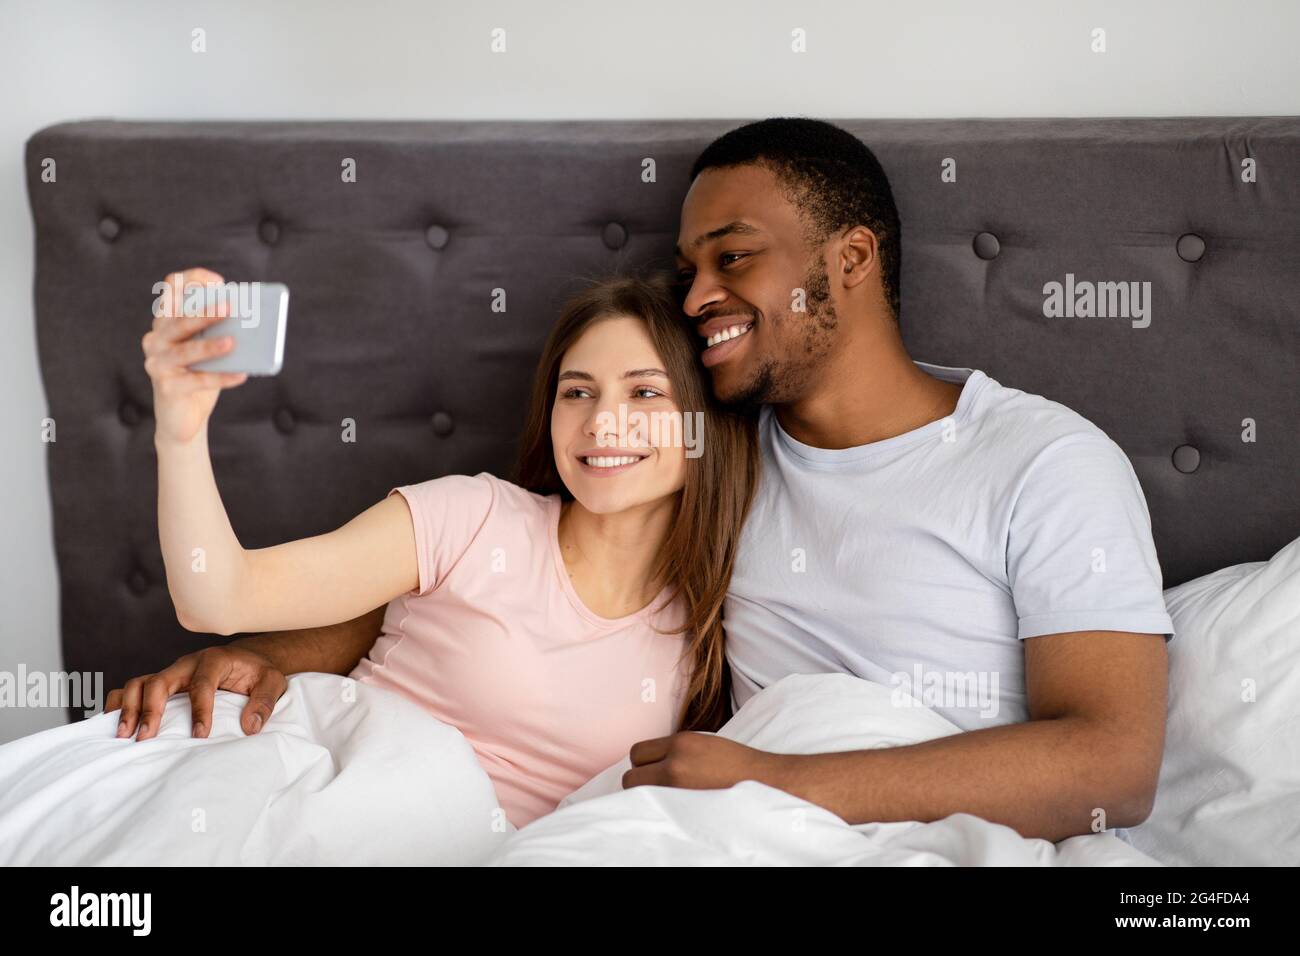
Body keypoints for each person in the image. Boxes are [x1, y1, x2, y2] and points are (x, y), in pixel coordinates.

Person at [116, 117, 1174, 844]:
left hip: (843, 813)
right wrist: (258, 652)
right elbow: (481, 580)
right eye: (689, 268)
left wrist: (777, 780)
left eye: (733, 257)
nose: (700, 294)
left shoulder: (1040, 462)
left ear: (849, 260)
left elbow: (1110, 765)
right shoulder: (712, 457)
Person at [113, 268, 757, 828]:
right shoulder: (472, 517)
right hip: (333, 805)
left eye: (644, 392)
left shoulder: (714, 624)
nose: (601, 422)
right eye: (578, 391)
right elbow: (219, 597)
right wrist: (180, 425)